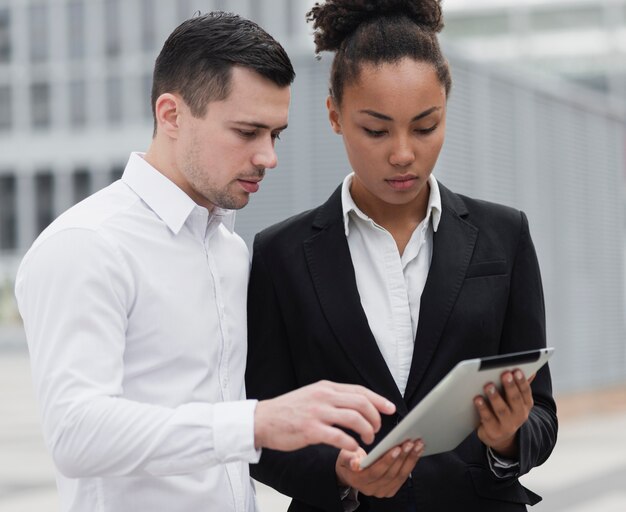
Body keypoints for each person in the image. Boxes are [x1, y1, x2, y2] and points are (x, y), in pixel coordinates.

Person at [14, 12, 397, 512]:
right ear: (171, 115)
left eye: (275, 134)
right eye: (246, 131)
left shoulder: (230, 252)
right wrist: (254, 423)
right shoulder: (86, 245)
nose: (268, 157)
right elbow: (76, 433)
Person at [245, 1, 558, 511]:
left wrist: (507, 440)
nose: (402, 153)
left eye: (425, 126)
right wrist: (342, 476)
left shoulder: (505, 235)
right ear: (334, 116)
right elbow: (261, 428)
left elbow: (541, 414)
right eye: (376, 129)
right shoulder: (280, 254)